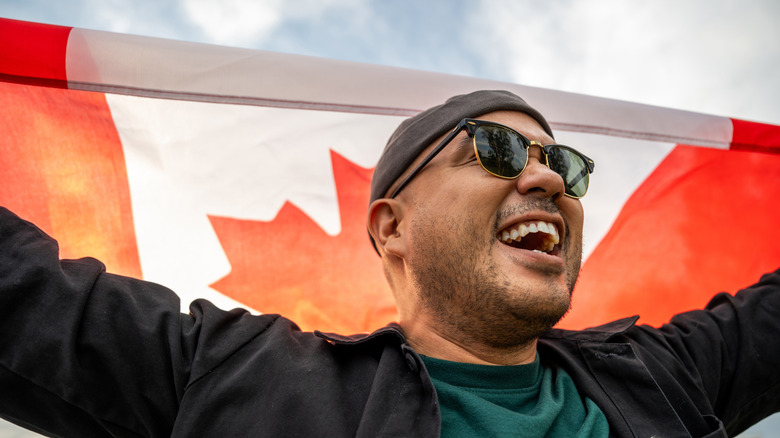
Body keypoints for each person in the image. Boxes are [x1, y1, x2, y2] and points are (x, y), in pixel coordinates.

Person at [0, 90, 778, 437]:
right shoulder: (246, 379)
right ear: (391, 226)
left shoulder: (663, 377)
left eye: (564, 165)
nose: (546, 180)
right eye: (497, 150)